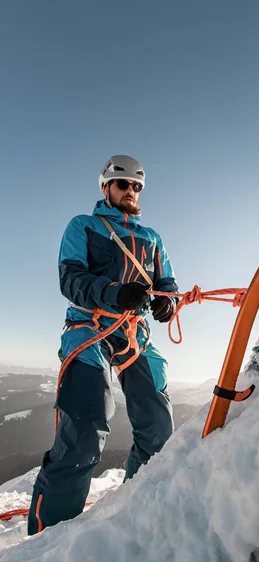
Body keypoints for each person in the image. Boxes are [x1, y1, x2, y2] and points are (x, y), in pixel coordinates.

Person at [28, 155, 178, 535]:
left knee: (159, 430)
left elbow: (168, 282)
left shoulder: (153, 238)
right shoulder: (84, 226)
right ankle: (48, 537)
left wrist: (167, 301)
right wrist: (114, 293)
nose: (131, 191)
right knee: (84, 429)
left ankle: (137, 511)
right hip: (89, 327)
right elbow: (71, 277)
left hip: (134, 334)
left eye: (136, 187)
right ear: (106, 187)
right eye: (123, 184)